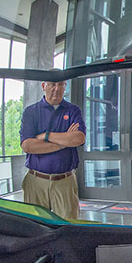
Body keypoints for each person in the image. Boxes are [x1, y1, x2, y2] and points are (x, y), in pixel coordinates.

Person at [19, 80, 86, 220]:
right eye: (52, 84)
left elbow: (79, 138)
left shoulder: (72, 110)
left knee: (68, 225)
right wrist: (63, 143)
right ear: (44, 86)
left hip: (64, 181)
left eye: (61, 84)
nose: (57, 88)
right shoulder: (31, 112)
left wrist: (46, 136)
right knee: (35, 225)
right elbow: (28, 146)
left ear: (65, 87)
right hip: (35, 181)